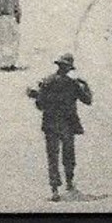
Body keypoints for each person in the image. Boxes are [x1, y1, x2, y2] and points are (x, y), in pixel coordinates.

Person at [29, 53, 92, 201]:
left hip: (50, 123)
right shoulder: (74, 84)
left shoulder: (47, 82)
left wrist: (37, 96)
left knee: (52, 155)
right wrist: (86, 85)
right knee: (68, 154)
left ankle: (54, 189)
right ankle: (69, 181)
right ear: (69, 69)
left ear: (58, 66)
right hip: (68, 124)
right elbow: (88, 100)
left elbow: (40, 105)